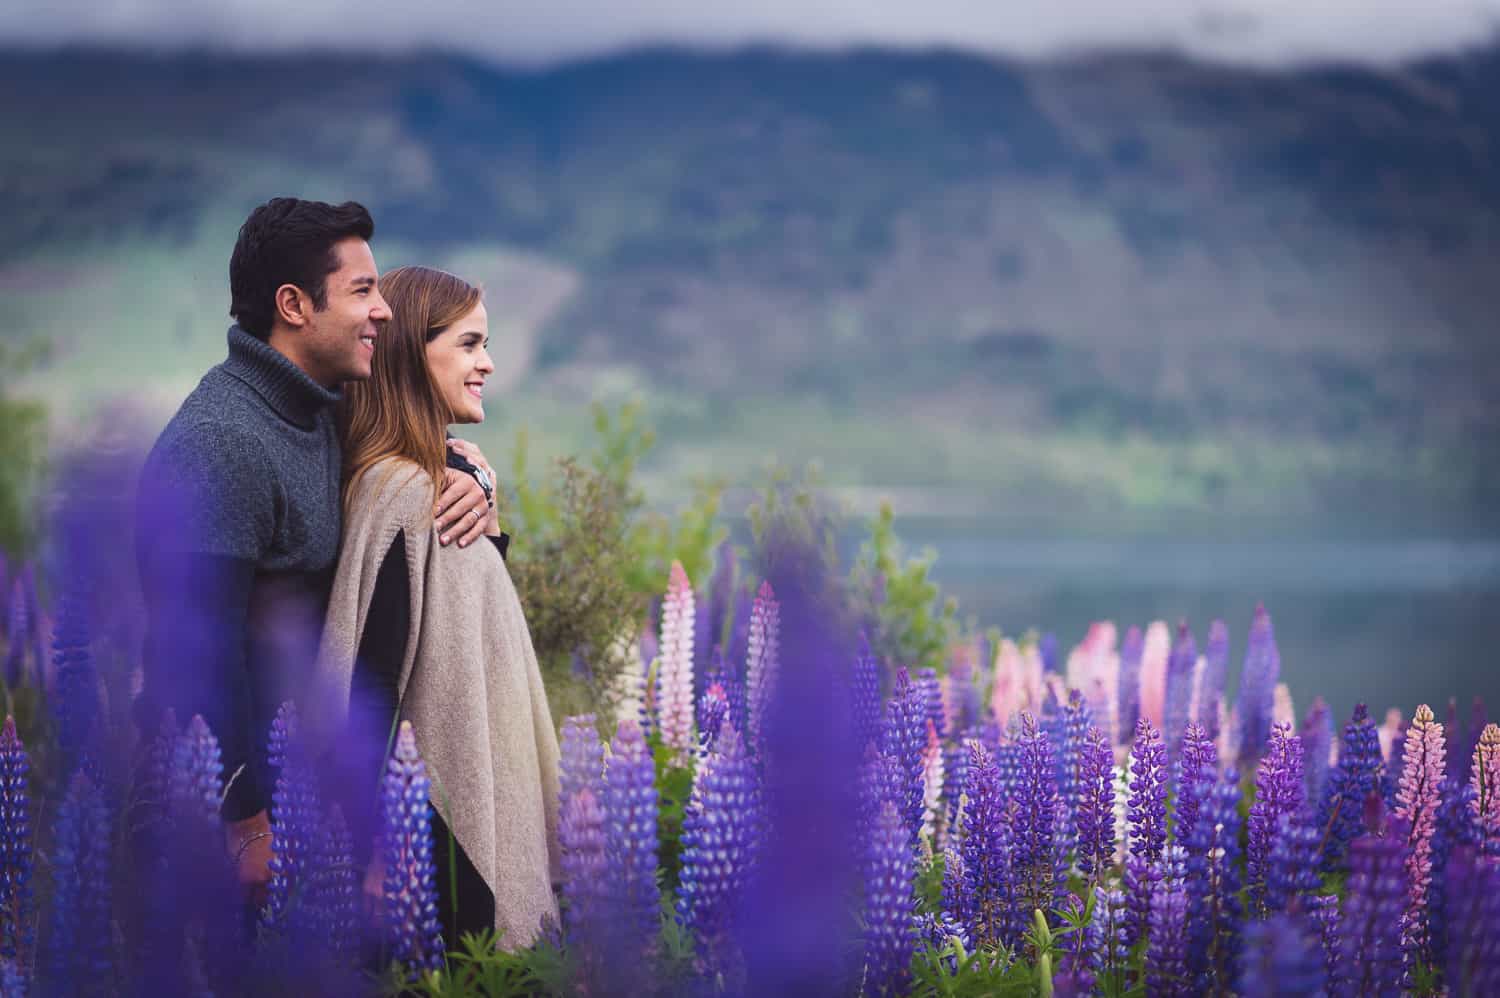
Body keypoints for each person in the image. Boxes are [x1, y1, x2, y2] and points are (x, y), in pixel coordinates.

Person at [134, 198, 495, 906]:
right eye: (363, 291)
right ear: (294, 306)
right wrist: (246, 825)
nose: (384, 311)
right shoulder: (221, 444)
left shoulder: (317, 406)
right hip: (222, 819)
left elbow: (410, 443)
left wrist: (477, 477)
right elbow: (193, 656)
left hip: (306, 798)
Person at [313, 265, 561, 950]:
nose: (488, 362)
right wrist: (373, 849)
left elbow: (462, 620)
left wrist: (480, 483)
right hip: (427, 830)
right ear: (411, 354)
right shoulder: (402, 494)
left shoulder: (436, 483)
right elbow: (374, 682)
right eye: (470, 343)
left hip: (438, 814)